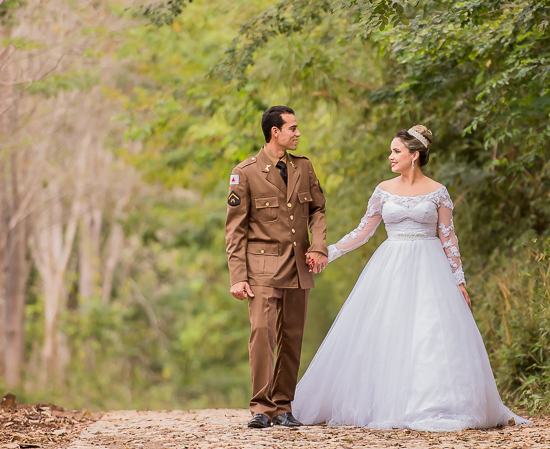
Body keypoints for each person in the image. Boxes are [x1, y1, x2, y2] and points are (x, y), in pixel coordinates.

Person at [292, 125, 524, 431]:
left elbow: (449, 238)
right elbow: (363, 232)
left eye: (396, 151)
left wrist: (459, 280)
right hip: (391, 266)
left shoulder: (438, 191)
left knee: (430, 332)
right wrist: (327, 253)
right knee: (388, 330)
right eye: (391, 151)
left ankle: (432, 402)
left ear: (414, 155)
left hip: (431, 268)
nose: (390, 156)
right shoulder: (383, 189)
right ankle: (387, 400)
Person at [224, 106, 328, 429]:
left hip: (298, 265)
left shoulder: (304, 168)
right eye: (293, 128)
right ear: (275, 133)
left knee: (292, 337)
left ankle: (283, 406)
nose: (298, 133)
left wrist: (319, 246)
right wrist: (238, 277)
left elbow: (318, 211)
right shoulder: (246, 172)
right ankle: (261, 407)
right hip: (261, 269)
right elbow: (235, 230)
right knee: (262, 334)